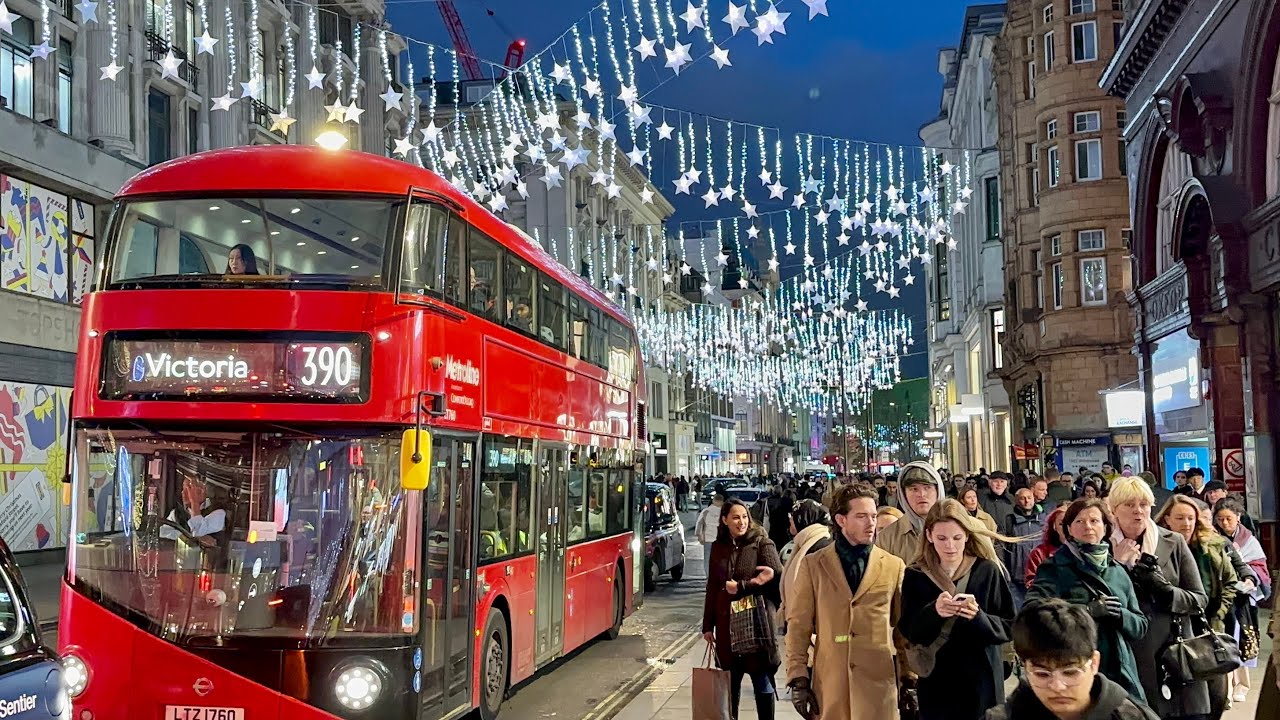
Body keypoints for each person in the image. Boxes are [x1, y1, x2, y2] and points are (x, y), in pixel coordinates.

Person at [786, 483, 905, 720]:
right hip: (831, 684)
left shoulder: (893, 565)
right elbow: (798, 625)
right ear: (841, 520)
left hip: (878, 685)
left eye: (873, 516)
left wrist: (909, 678)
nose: (871, 523)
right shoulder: (814, 565)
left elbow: (903, 631)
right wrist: (798, 677)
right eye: (861, 516)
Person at [898, 498, 1017, 720]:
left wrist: (979, 617)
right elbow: (909, 630)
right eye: (942, 538)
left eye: (957, 538)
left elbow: (1009, 625)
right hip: (937, 680)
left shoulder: (987, 570)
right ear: (929, 536)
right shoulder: (916, 574)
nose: (950, 546)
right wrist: (934, 612)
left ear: (967, 536)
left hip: (982, 679)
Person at [1107, 476, 1210, 718]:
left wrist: (1164, 591)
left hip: (1173, 653)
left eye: (1144, 504)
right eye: (1129, 505)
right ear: (1113, 510)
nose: (1138, 511)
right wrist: (1119, 566)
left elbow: (1199, 599)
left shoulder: (1172, 542)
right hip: (1127, 655)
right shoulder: (1103, 546)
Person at [1027, 498, 1147, 702]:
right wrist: (1086, 611)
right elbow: (1032, 613)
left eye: (1094, 521)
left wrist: (1121, 615)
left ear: (1106, 527)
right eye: (1079, 522)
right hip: (1072, 669)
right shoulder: (1055, 567)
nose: (1088, 527)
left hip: (1120, 672)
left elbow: (1141, 626)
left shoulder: (1117, 570)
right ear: (1069, 529)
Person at [985, 599, 1159, 720]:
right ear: (1025, 667)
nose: (1057, 687)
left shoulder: (1133, 716)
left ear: (1094, 663)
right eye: (1042, 674)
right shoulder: (1002, 717)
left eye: (1070, 672)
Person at [1156, 495, 1238, 720]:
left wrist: (1220, 612)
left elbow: (1230, 581)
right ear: (1166, 520)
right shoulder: (1158, 548)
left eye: (1191, 518)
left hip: (1208, 629)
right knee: (1185, 700)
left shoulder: (1210, 547)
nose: (1186, 523)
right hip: (1175, 633)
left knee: (1216, 698)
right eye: (1180, 517)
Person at [702, 497, 783, 720]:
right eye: (736, 517)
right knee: (730, 684)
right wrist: (707, 625)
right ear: (725, 519)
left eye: (745, 517)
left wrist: (744, 586)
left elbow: (776, 578)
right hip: (727, 626)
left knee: (762, 680)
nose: (742, 522)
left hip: (756, 625)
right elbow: (712, 587)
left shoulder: (761, 543)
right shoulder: (719, 547)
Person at [1214, 497, 1271, 705]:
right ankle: (1225, 690)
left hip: (1244, 599)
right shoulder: (1211, 537)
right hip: (1220, 598)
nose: (1224, 523)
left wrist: (1247, 576)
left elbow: (1260, 568)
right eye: (1220, 519)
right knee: (1222, 643)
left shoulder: (1249, 539)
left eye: (1229, 518)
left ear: (1238, 517)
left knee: (1242, 641)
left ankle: (1242, 685)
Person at [876, 461, 945, 563]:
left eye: (927, 487)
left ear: (938, 490)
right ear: (904, 494)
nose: (921, 494)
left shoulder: (961, 528)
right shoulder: (887, 537)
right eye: (914, 489)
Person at [1001, 487, 1045, 609]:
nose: (1026, 501)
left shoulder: (1043, 519)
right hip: (1017, 575)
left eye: (1029, 498)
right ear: (1016, 500)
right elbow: (1005, 548)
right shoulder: (1009, 520)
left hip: (1039, 575)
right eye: (1022, 498)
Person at [1024, 505, 1067, 591]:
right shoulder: (1039, 553)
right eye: (1061, 524)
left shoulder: (1083, 550)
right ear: (1054, 526)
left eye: (1070, 523)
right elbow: (1031, 583)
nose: (1066, 528)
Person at [694, 492, 726, 578]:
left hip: (708, 539)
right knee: (721, 559)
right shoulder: (725, 513)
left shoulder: (706, 511)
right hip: (722, 540)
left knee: (708, 560)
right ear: (722, 502)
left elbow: (699, 524)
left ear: (713, 501)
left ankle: (709, 577)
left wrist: (700, 536)